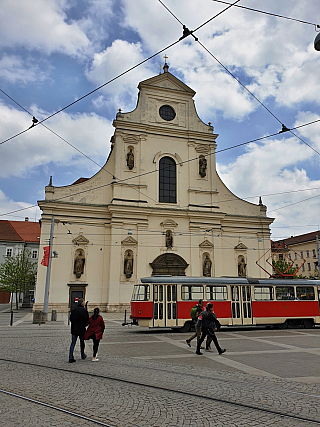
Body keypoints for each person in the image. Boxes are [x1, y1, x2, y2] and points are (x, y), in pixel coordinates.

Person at [69, 298, 89, 363]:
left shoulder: (73, 310)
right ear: (82, 303)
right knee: (82, 343)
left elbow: (71, 319)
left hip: (74, 329)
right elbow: (87, 320)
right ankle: (82, 355)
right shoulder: (84, 311)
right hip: (81, 329)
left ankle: (70, 356)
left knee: (73, 343)